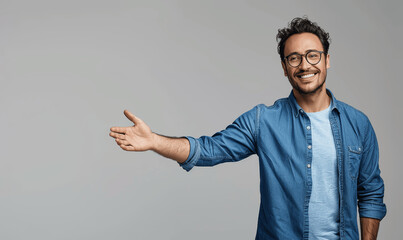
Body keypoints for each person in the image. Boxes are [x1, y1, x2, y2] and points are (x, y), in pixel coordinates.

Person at [109, 17, 386, 240]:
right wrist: (155, 141)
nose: (305, 65)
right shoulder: (263, 121)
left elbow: (370, 192)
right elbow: (208, 149)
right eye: (294, 58)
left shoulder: (358, 123)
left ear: (327, 60)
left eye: (313, 55)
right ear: (284, 67)